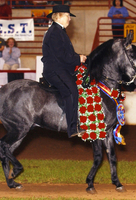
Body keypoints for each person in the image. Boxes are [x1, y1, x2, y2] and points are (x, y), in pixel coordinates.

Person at [41, 5, 87, 138]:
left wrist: (80, 58)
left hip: (59, 69)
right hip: (55, 70)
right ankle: (72, 127)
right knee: (71, 91)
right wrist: (78, 58)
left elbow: (67, 53)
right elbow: (61, 55)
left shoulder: (59, 31)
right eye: (67, 16)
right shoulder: (55, 32)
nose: (70, 19)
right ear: (59, 16)